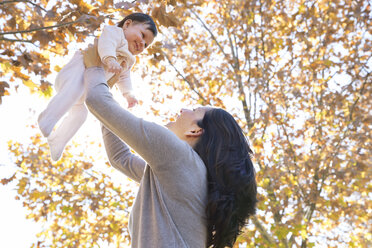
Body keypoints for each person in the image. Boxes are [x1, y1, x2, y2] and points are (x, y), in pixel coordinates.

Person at [82, 43, 257, 248]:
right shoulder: (184, 174)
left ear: (195, 130)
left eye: (194, 109)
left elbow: (96, 100)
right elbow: (121, 159)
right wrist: (107, 86)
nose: (183, 109)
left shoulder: (177, 156)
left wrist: (95, 68)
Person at [37, 13, 157, 161]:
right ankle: (46, 118)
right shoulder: (116, 33)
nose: (142, 44)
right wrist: (110, 59)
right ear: (127, 25)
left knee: (81, 115)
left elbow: (124, 77)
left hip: (84, 90)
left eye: (146, 45)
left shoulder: (129, 59)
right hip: (77, 72)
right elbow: (107, 44)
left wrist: (128, 94)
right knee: (73, 91)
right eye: (142, 35)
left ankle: (57, 141)